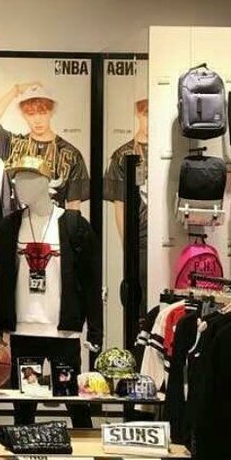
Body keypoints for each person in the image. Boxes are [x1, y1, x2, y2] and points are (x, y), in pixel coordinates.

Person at [0, 81, 90, 210]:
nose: (37, 120)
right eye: (31, 114)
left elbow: (73, 207)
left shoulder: (70, 154)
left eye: (42, 112)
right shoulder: (14, 145)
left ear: (51, 112)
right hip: (16, 221)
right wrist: (15, 90)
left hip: (53, 221)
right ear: (24, 115)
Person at [104, 97, 149, 307]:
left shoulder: (164, 153)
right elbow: (119, 206)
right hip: (139, 239)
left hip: (165, 237)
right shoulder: (122, 155)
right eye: (146, 113)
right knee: (138, 300)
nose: (149, 120)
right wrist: (128, 246)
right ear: (138, 114)